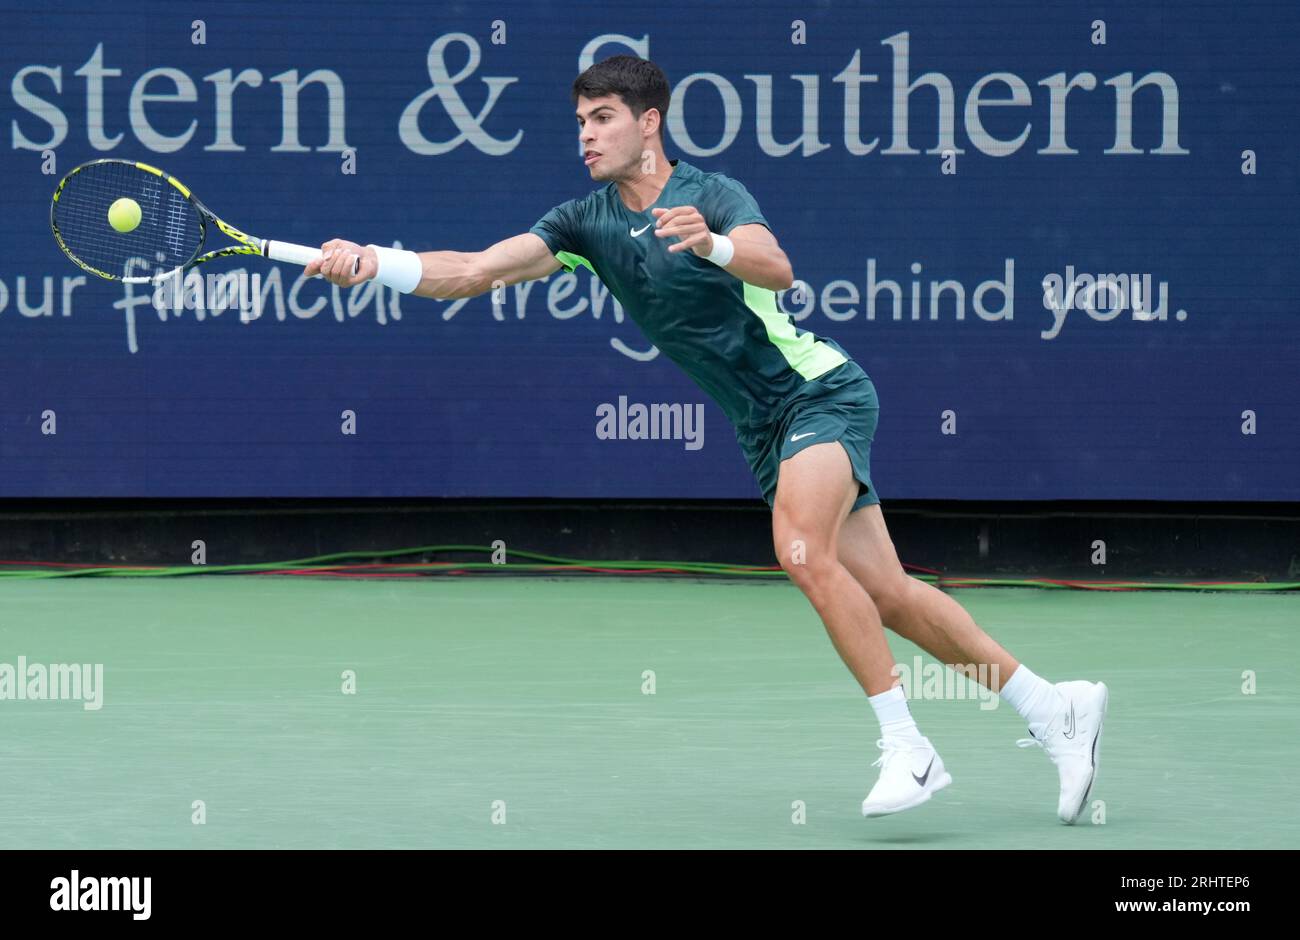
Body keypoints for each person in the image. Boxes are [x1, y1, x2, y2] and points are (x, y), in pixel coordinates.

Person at [306, 54, 1108, 823]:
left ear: (648, 123)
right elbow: (475, 269)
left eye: (603, 118)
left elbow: (778, 266)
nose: (585, 134)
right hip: (764, 429)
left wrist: (715, 243)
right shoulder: (582, 223)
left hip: (818, 393)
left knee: (800, 551)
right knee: (889, 594)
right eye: (579, 120)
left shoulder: (709, 192)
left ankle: (908, 746)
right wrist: (374, 261)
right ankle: (1054, 707)